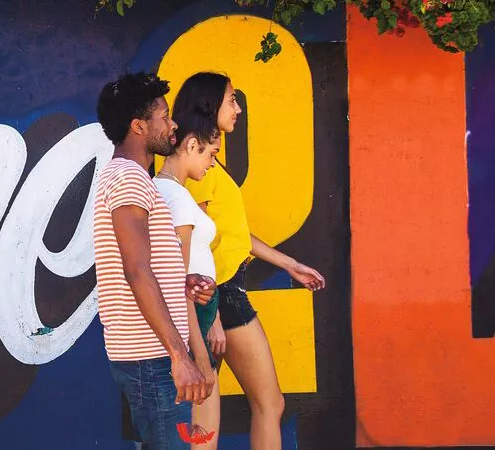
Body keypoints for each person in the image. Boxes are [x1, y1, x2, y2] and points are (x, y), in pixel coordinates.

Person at [172, 72, 327, 450]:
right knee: (255, 406)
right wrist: (214, 318)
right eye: (231, 100)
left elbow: (231, 234)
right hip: (217, 296)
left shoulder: (207, 162)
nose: (238, 109)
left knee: (216, 413)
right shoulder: (199, 169)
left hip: (221, 294)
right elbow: (191, 250)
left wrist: (289, 263)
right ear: (210, 106)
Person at [92, 72, 215, 450]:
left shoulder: (130, 177)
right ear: (139, 126)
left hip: (151, 357)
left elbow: (144, 266)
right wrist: (181, 356)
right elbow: (136, 271)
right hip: (153, 360)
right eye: (163, 115)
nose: (173, 123)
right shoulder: (128, 177)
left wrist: (183, 282)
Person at [155, 120, 224, 450]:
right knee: (202, 439)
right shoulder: (179, 200)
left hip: (193, 322)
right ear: (192, 145)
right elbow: (178, 284)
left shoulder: (161, 190)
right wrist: (201, 358)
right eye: (212, 154)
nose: (213, 163)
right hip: (190, 325)